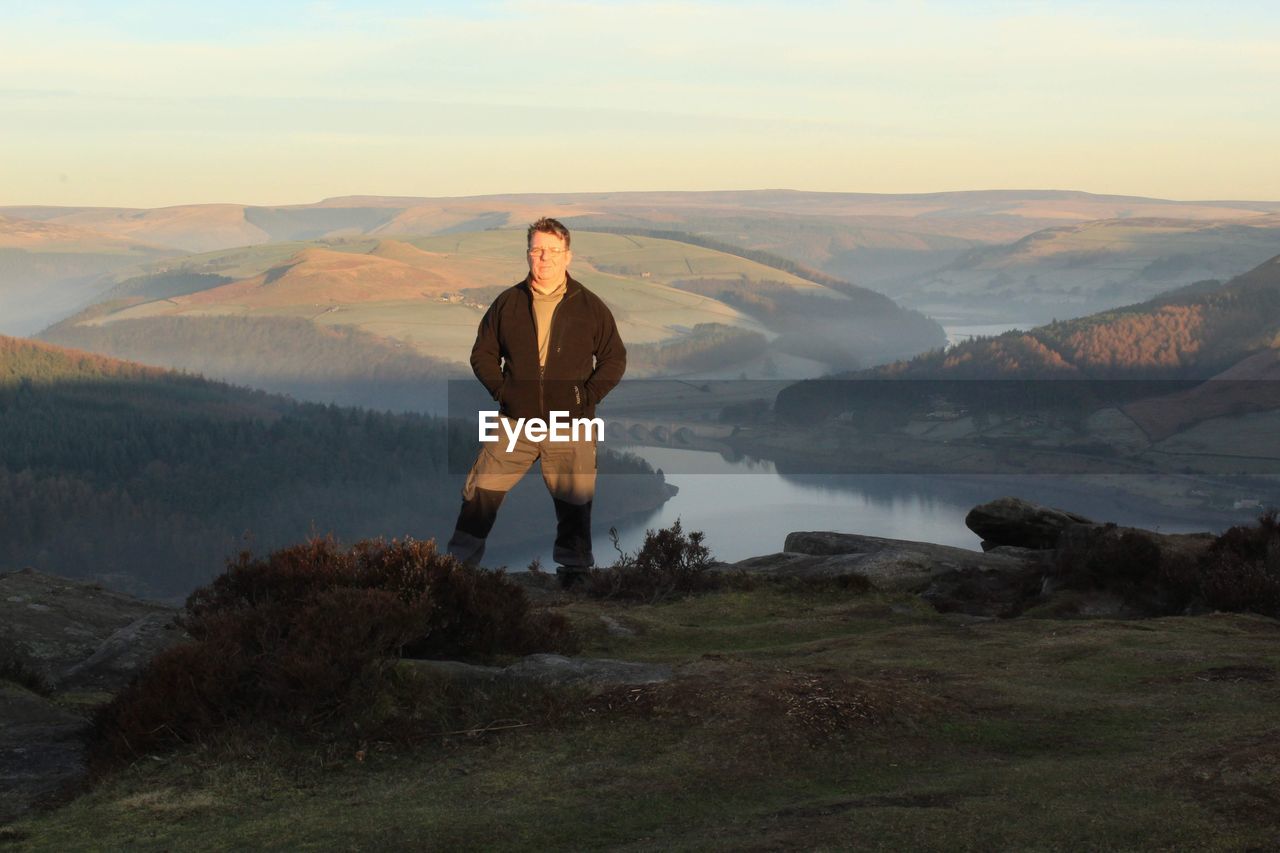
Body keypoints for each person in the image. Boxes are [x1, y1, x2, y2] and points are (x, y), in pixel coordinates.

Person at [446, 217, 626, 587]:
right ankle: (455, 571)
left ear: (568, 256)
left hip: (569, 422)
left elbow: (614, 359)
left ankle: (575, 573)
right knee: (480, 491)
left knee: (575, 501)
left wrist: (585, 397)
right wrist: (504, 392)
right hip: (516, 422)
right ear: (528, 253)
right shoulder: (508, 303)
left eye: (552, 251)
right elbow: (482, 354)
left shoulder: (589, 306)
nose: (544, 258)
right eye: (537, 250)